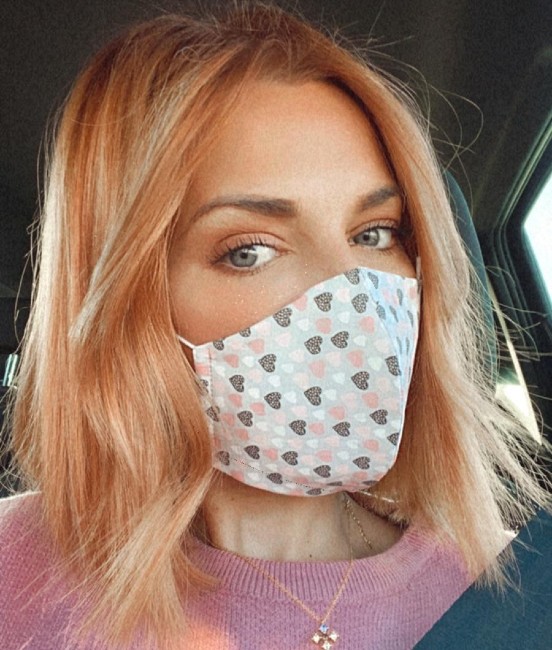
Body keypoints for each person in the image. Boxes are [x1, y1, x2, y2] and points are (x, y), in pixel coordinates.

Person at [0, 3, 550, 649]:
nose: (353, 294)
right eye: (249, 251)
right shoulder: (15, 573)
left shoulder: (507, 595)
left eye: (376, 234)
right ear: (129, 301)